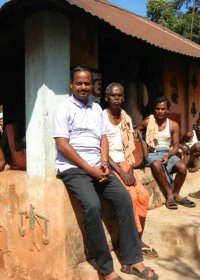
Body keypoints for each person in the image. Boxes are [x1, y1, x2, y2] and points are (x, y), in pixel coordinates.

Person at [53, 66, 158, 280]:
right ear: (71, 85)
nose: (83, 87)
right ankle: (106, 269)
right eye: (79, 83)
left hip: (98, 167)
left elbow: (103, 139)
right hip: (74, 169)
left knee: (123, 199)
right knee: (92, 206)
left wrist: (102, 163)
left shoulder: (95, 109)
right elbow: (62, 145)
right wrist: (89, 168)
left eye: (87, 83)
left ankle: (132, 260)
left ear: (93, 87)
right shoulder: (63, 108)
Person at [103, 82, 158, 258]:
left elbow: (129, 147)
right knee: (131, 197)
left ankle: (137, 237)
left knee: (144, 196)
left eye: (120, 95)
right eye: (113, 95)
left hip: (127, 164)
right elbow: (101, 150)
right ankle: (132, 242)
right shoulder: (101, 118)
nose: (117, 98)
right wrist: (121, 172)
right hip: (112, 165)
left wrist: (130, 168)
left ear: (124, 98)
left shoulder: (126, 117)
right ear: (106, 98)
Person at [135, 96, 196, 210]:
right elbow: (136, 130)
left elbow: (176, 145)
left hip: (167, 152)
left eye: (163, 109)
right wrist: (138, 136)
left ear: (168, 110)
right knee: (156, 164)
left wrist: (168, 155)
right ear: (154, 109)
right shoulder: (148, 121)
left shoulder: (173, 125)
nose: (160, 112)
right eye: (157, 109)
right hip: (152, 152)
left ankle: (176, 194)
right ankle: (169, 194)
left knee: (182, 167)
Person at [122, 59, 148, 127]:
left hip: (137, 119)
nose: (133, 70)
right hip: (123, 118)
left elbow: (145, 103)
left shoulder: (142, 86)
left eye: (135, 68)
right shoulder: (122, 84)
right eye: (131, 67)